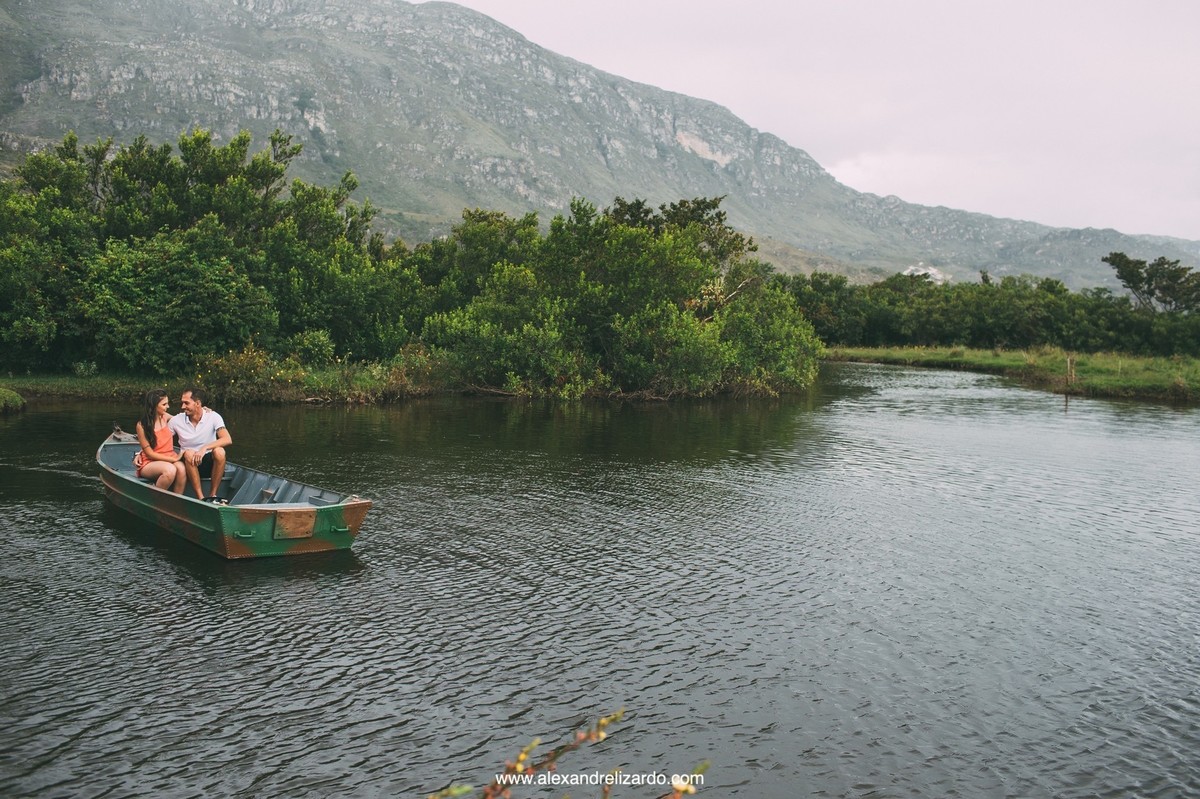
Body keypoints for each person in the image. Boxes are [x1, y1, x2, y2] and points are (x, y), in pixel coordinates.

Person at [169, 387, 233, 503]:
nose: (182, 406)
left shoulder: (213, 416)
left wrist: (205, 448)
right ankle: (201, 498)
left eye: (186, 403)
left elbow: (227, 439)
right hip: (188, 463)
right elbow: (162, 440)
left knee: (220, 451)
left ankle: (213, 495)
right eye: (182, 402)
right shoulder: (176, 420)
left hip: (208, 463)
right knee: (189, 453)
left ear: (197, 403)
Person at [134, 388, 186, 493]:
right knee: (170, 470)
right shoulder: (141, 425)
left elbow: (186, 418)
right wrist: (175, 460)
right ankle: (156, 501)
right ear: (154, 406)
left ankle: (176, 502)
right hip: (150, 462)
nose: (168, 406)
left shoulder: (166, 417)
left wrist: (204, 411)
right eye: (164, 404)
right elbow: (150, 454)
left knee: (182, 469)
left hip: (170, 457)